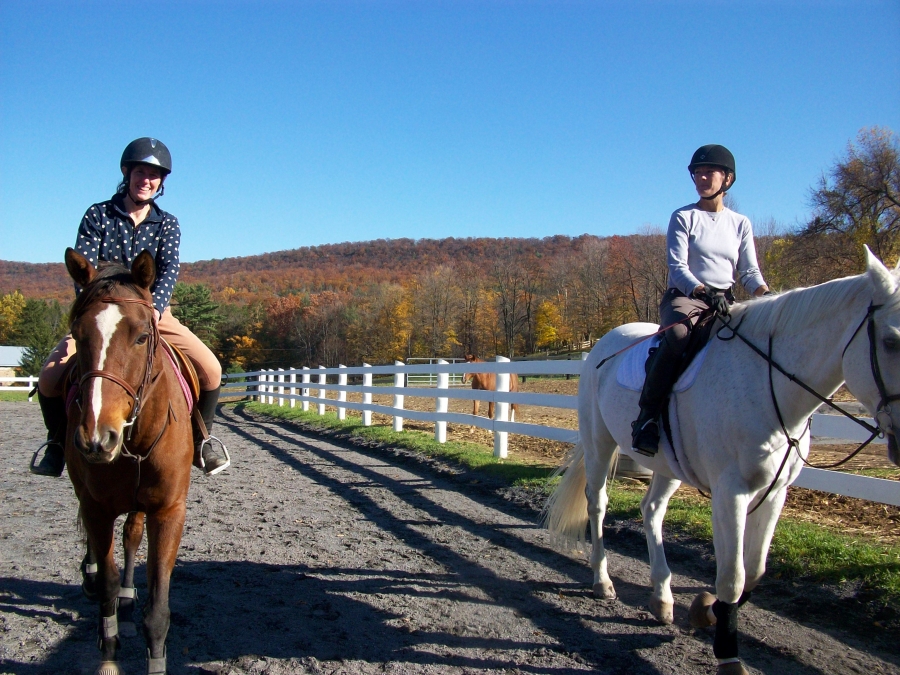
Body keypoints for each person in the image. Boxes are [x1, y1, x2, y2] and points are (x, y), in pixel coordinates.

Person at [31, 137, 230, 476]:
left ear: (161, 182)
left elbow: (168, 270)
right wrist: (95, 308)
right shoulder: (98, 215)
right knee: (49, 377)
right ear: (128, 173)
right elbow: (84, 268)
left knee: (211, 369)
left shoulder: (167, 224)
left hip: (151, 313)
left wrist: (155, 309)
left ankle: (202, 441)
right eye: (141, 172)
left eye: (154, 175)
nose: (147, 180)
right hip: (103, 315)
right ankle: (57, 445)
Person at [631, 144, 770, 456]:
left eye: (709, 172)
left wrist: (767, 295)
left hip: (726, 302)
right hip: (685, 298)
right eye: (698, 173)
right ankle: (647, 418)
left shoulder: (740, 223)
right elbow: (677, 267)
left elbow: (748, 272)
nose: (702, 178)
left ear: (728, 179)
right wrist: (702, 291)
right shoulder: (684, 217)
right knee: (679, 335)